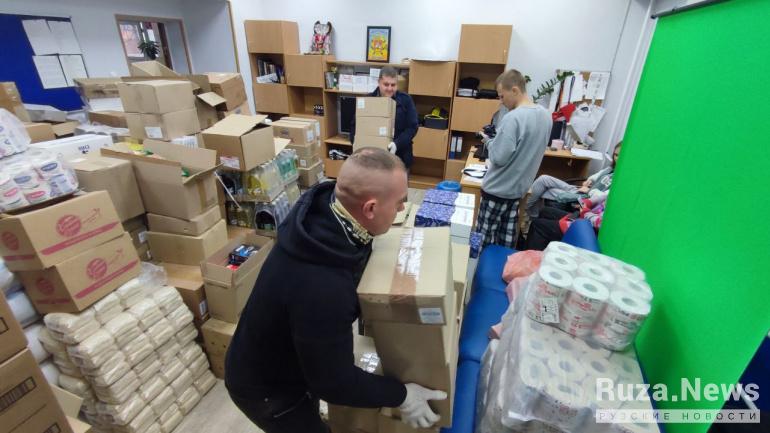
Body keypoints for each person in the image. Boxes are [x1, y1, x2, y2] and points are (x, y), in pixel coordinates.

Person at [225, 148, 447, 433]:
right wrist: (402, 396)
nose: (403, 209)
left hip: (285, 353)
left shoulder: (326, 207)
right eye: (400, 202)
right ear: (370, 209)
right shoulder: (323, 287)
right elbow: (333, 383)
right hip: (268, 390)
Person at [475, 69, 551, 248]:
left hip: (496, 191)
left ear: (515, 90)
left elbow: (499, 158)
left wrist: (488, 141)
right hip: (517, 192)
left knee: (483, 242)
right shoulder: (545, 116)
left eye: (502, 96)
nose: (501, 101)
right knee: (506, 242)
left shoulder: (513, 118)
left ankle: (480, 267)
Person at [526, 142, 622, 217]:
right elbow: (594, 177)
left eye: (620, 155)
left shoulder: (623, 180)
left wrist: (590, 191)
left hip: (584, 199)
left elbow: (604, 197)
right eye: (616, 155)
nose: (617, 158)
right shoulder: (611, 169)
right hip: (581, 191)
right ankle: (528, 213)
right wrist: (589, 181)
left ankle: (527, 213)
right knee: (543, 179)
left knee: (542, 190)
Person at [350, 66, 418, 169]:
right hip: (372, 160)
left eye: (393, 85)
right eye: (386, 84)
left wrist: (396, 144)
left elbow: (412, 127)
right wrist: (359, 145)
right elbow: (354, 127)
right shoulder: (368, 101)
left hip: (400, 157)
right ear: (379, 82)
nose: (390, 89)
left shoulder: (406, 100)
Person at [523, 191, 609, 251]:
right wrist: (588, 203)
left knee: (537, 225)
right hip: (585, 217)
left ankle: (532, 263)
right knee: (545, 211)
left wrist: (585, 211)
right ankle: (545, 250)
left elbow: (600, 223)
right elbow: (603, 196)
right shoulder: (614, 192)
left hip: (589, 231)